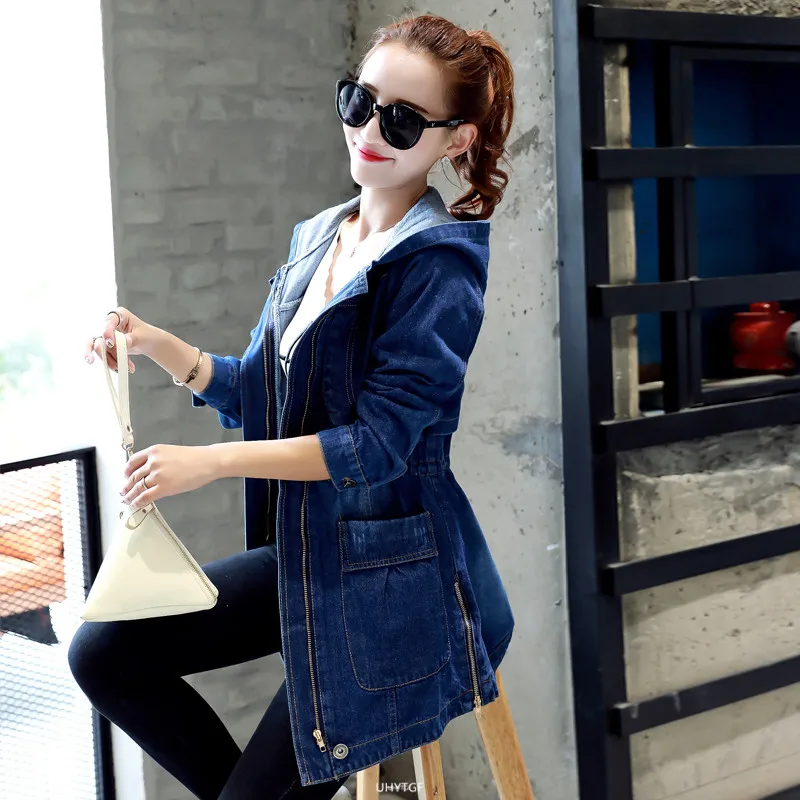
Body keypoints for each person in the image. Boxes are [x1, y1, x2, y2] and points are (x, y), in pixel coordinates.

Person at [69, 13, 516, 800]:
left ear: (457, 139)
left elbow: (376, 446)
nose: (369, 131)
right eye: (359, 102)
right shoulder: (320, 236)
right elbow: (261, 392)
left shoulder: (439, 267)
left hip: (398, 583)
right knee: (102, 653)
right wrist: (156, 343)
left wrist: (211, 464)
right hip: (311, 553)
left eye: (402, 120)